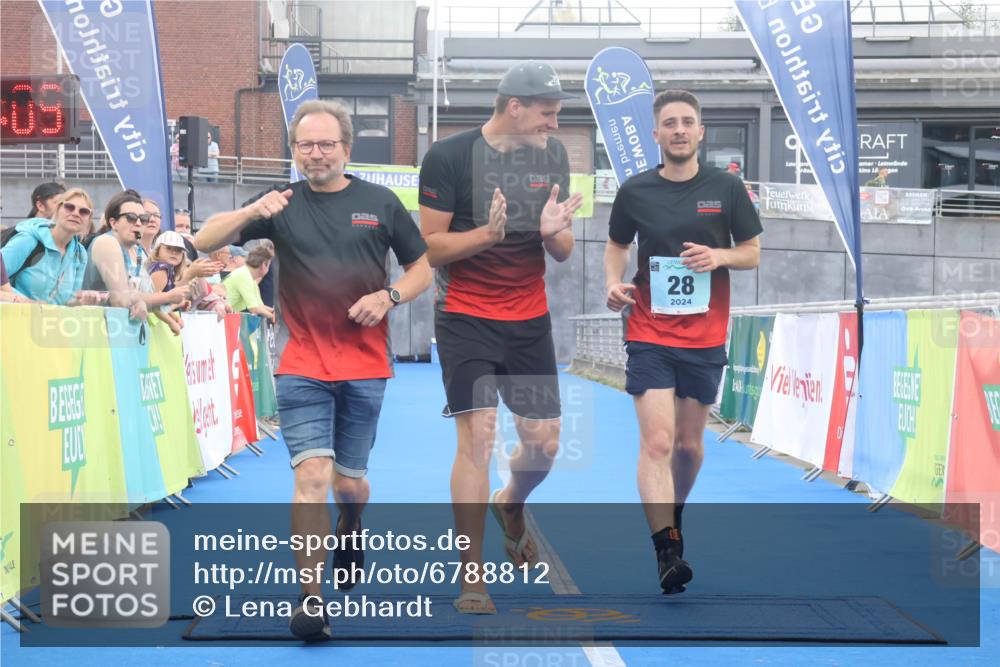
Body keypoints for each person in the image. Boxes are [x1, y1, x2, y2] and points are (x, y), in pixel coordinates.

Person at [194, 99, 432, 641]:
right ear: (294, 150)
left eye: (326, 144)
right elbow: (204, 241)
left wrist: (389, 295)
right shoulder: (279, 202)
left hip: (366, 363)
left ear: (346, 149)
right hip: (300, 362)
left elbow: (422, 271)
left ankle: (352, 526)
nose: (316, 153)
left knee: (350, 484)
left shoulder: (380, 202)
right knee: (312, 478)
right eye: (305, 145)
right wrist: (254, 212)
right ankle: (311, 599)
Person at [418, 61, 583, 614]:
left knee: (545, 445)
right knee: (478, 440)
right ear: (515, 106)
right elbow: (432, 249)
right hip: (466, 317)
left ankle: (510, 502)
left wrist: (552, 234)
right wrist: (487, 236)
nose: (554, 125)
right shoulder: (449, 157)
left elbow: (562, 251)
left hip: (529, 320)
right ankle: (472, 580)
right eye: (548, 114)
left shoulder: (552, 157)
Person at [604, 89, 762, 595]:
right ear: (656, 134)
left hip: (705, 335)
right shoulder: (635, 191)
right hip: (649, 331)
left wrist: (718, 257)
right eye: (668, 122)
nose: (678, 129)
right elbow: (616, 246)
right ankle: (666, 549)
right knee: (657, 442)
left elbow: (752, 253)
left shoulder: (727, 188)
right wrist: (612, 281)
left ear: (699, 132)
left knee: (689, 449)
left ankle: (673, 514)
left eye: (686, 122)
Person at [1, 187, 95, 305]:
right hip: (15, 319)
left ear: (89, 220)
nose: (76, 213)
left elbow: (69, 303)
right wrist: (25, 301)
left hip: (51, 321)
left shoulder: (80, 254)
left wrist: (80, 301)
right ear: (58, 209)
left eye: (84, 211)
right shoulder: (28, 240)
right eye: (69, 207)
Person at [222, 244, 275, 322]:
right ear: (264, 265)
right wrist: (273, 317)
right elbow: (254, 308)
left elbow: (260, 306)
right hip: (222, 318)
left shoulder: (249, 276)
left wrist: (274, 312)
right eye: (269, 265)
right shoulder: (244, 275)